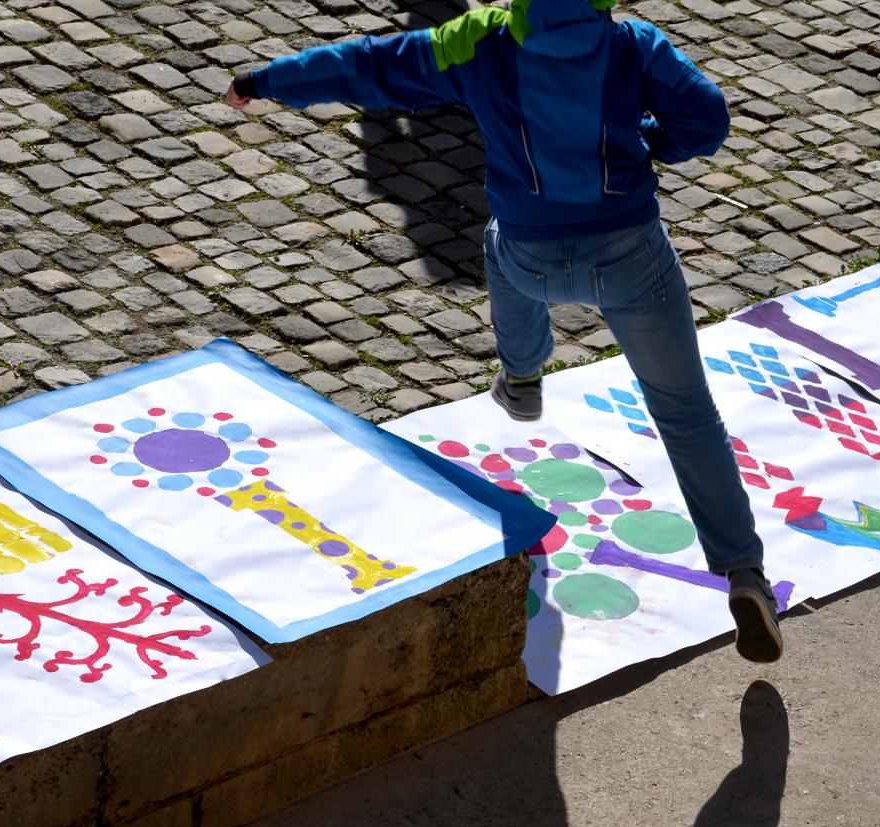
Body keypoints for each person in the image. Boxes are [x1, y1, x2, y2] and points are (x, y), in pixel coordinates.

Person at [225, 0, 783, 662]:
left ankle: (520, 376)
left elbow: (371, 66)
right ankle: (743, 571)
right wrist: (655, 143)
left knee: (500, 249)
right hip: (629, 252)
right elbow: (706, 116)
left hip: (529, 252)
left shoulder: (482, 41)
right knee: (686, 412)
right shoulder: (634, 44)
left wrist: (268, 80)